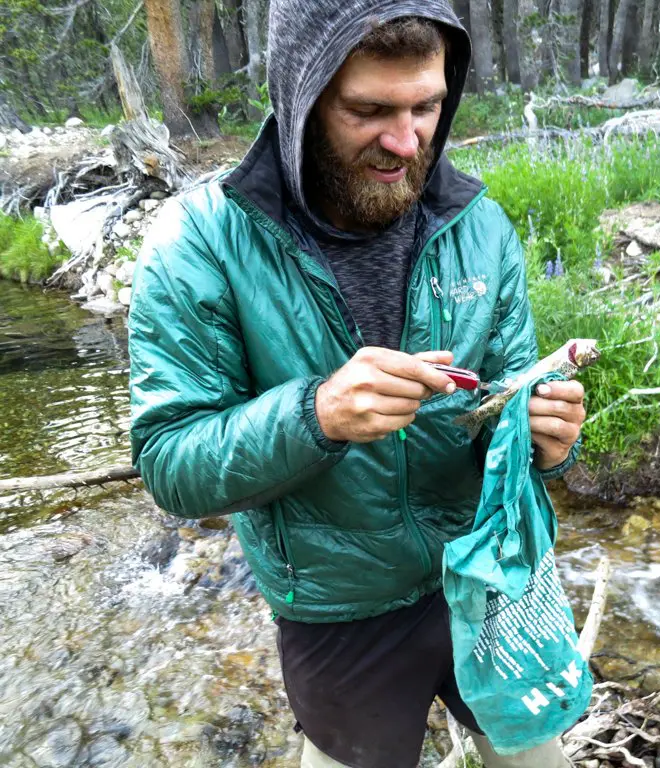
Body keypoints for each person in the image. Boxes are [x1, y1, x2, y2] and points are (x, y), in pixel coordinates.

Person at [126, 3, 586, 767]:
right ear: (300, 98)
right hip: (338, 609)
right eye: (369, 110)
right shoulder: (200, 242)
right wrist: (317, 415)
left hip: (490, 572)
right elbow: (173, 464)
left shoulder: (479, 228)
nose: (408, 142)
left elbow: (510, 408)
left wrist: (546, 442)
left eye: (427, 106)